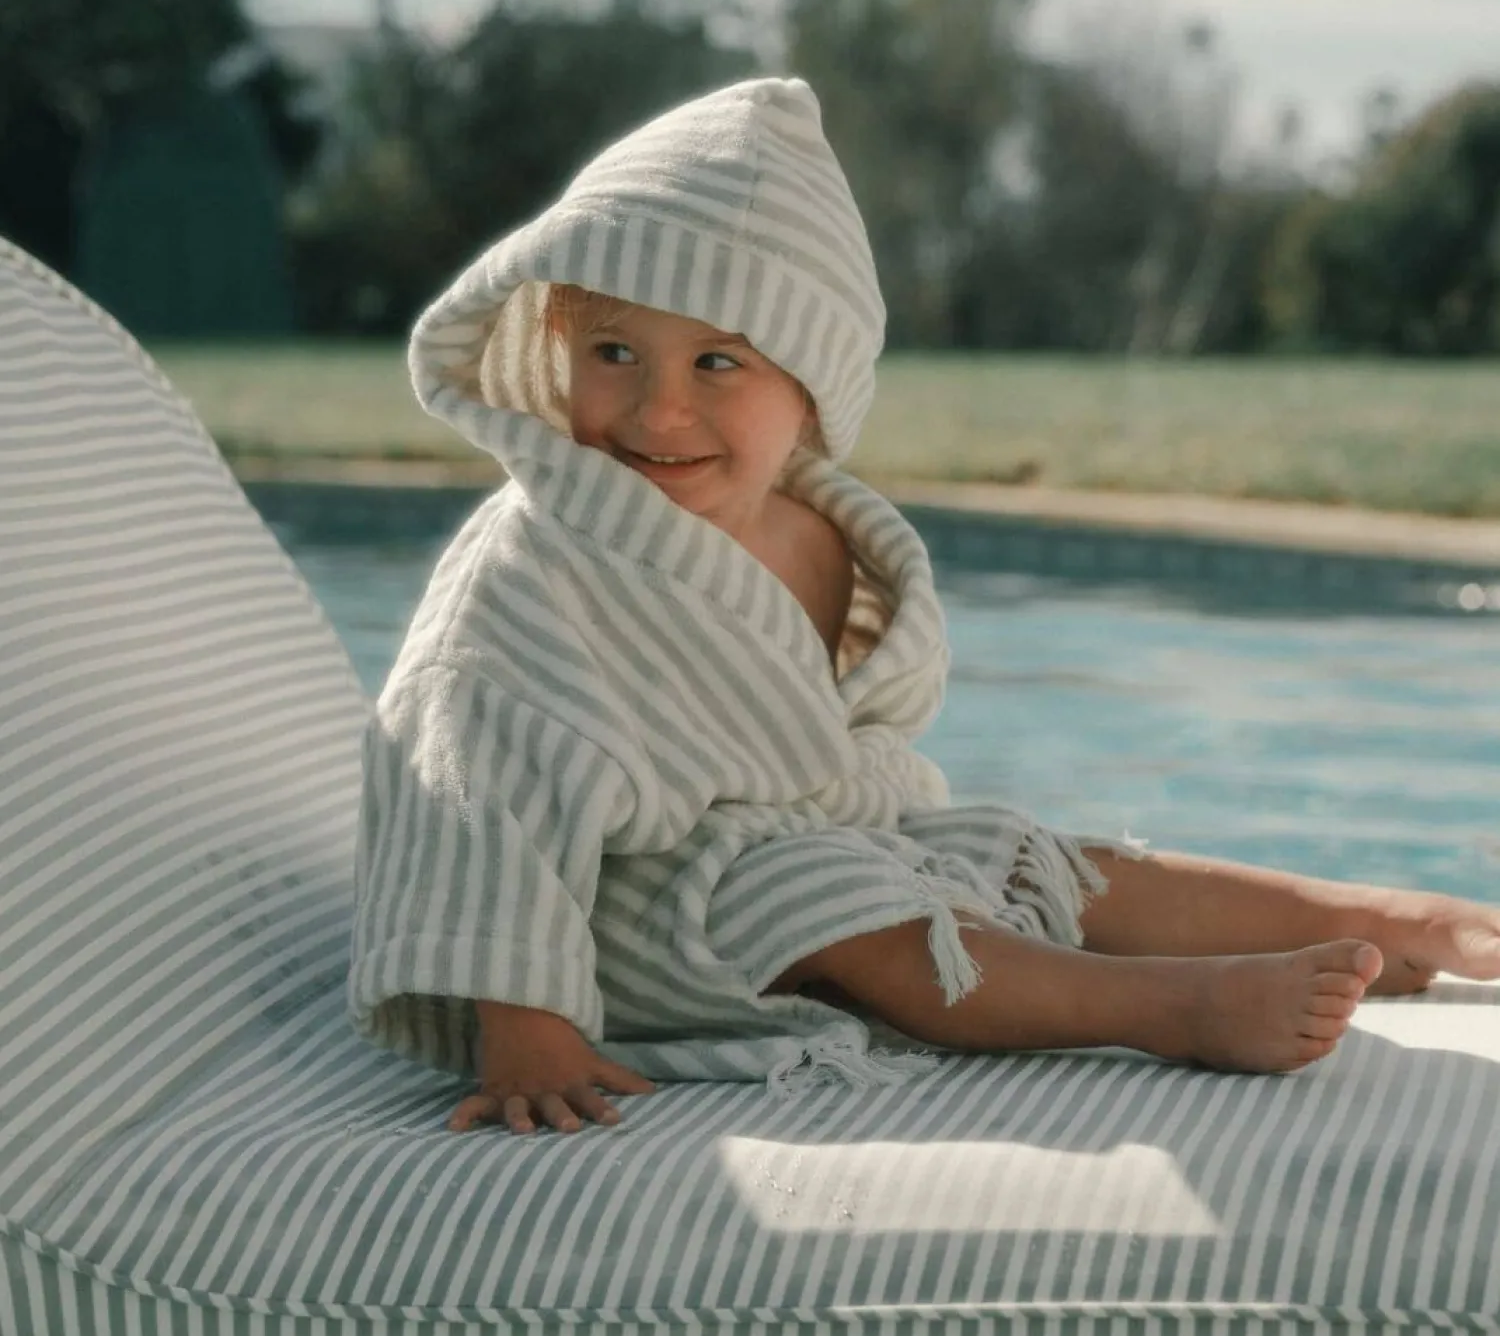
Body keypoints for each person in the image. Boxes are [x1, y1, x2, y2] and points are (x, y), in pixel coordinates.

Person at [349, 77, 1500, 1135]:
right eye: (614, 352)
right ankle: (1171, 1007)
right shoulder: (531, 572)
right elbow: (466, 786)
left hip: (810, 843)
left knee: (1011, 850)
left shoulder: (827, 529)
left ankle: (1369, 916)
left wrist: (908, 846)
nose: (657, 412)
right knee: (831, 892)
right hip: (620, 922)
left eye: (717, 364)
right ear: (556, 346)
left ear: (811, 385)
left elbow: (854, 741)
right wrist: (527, 1025)